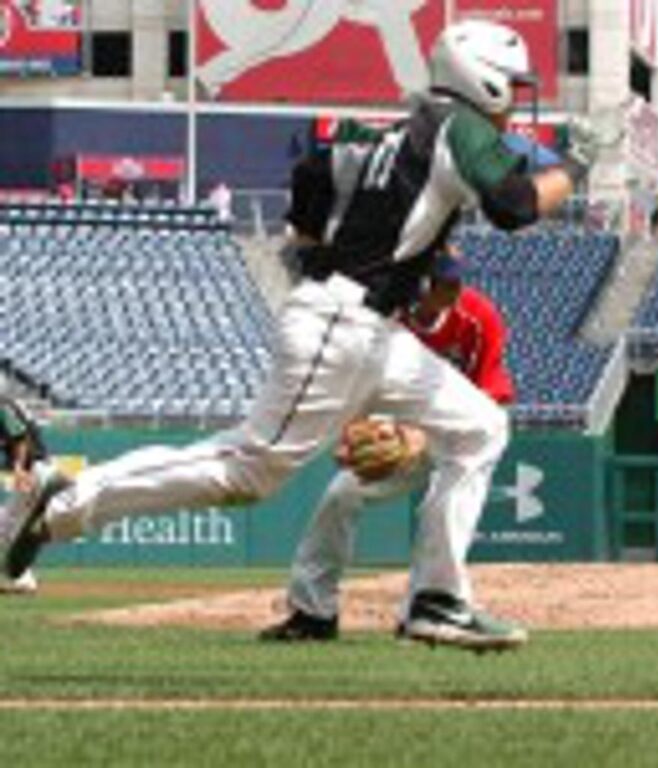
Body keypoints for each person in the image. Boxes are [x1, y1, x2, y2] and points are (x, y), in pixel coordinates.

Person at [4, 19, 592, 650]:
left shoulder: (406, 127)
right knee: (248, 471)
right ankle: (68, 498)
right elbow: (514, 208)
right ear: (485, 78)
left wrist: (314, 243)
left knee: (480, 426)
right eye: (513, 82)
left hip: (370, 328)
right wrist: (575, 168)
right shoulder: (459, 122)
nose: (518, 95)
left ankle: (439, 600)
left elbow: (315, 168)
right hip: (345, 323)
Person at [261, 252, 515, 642]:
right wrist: (351, 434)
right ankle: (313, 613)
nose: (452, 291)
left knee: (443, 504)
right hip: (393, 429)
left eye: (455, 282)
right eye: (442, 283)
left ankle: (425, 608)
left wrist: (426, 436)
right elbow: (356, 385)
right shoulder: (386, 316)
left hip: (456, 433)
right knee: (340, 495)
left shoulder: (478, 318)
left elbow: (487, 403)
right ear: (420, 283)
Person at [0, 396, 48, 595]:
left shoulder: (2, 406)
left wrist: (19, 468)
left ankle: (24, 579)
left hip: (33, 470)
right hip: (33, 470)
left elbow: (20, 437)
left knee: (7, 525)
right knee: (7, 525)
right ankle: (23, 578)